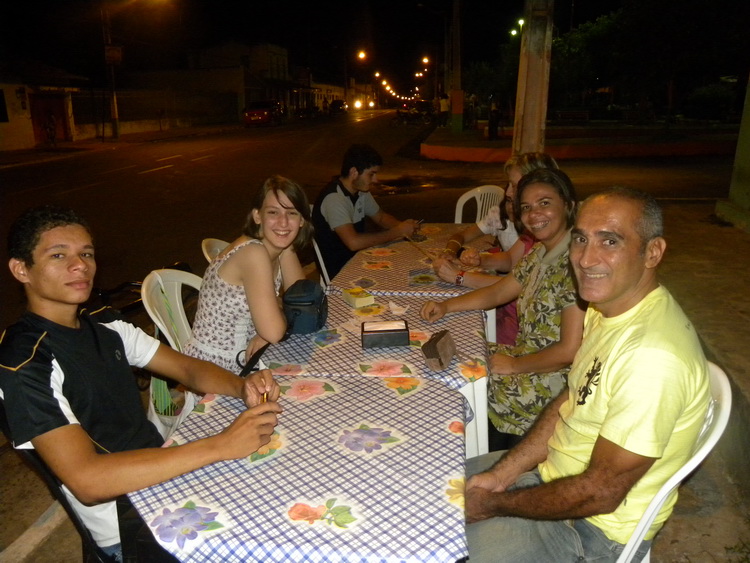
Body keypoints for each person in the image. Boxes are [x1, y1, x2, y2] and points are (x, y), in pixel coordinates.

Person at [0, 205, 282, 560]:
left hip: (163, 468)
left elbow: (188, 369)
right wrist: (220, 445)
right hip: (129, 520)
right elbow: (88, 481)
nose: (80, 265)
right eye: (58, 255)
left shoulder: (103, 323)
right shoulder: (25, 362)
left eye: (86, 253)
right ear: (21, 269)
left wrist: (242, 386)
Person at [463, 186, 712, 562]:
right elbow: (572, 398)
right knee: (428, 488)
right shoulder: (605, 308)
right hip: (555, 479)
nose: (585, 258)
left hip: (591, 532)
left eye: (610, 241)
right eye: (580, 239)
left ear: (653, 252)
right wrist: (504, 474)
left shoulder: (652, 357)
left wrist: (493, 505)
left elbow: (601, 492)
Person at [421, 168, 586, 450]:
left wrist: (515, 365)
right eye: (527, 207)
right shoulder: (541, 252)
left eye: (545, 203)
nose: (534, 214)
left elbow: (569, 351)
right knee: (458, 360)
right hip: (528, 357)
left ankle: (485, 455)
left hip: (554, 380)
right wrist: (446, 305)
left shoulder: (576, 264)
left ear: (568, 205)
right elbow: (500, 291)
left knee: (468, 386)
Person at [184, 175, 312, 374]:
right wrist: (276, 316)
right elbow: (275, 331)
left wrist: (275, 317)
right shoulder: (253, 253)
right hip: (216, 370)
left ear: (302, 220)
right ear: (257, 216)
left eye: (292, 213)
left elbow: (303, 301)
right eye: (273, 212)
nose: (283, 222)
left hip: (248, 358)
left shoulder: (281, 245)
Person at [432, 152, 559, 344]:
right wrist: (480, 259)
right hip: (510, 321)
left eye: (515, 186)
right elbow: (510, 260)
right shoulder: (536, 232)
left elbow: (512, 287)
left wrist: (459, 277)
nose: (507, 192)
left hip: (520, 335)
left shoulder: (560, 244)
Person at [311, 143, 420, 279]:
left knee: (408, 265)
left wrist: (405, 227)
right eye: (371, 174)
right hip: (341, 271)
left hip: (359, 260)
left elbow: (381, 217)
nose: (376, 179)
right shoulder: (334, 198)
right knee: (400, 274)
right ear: (354, 172)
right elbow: (353, 243)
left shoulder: (360, 191)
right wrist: (398, 231)